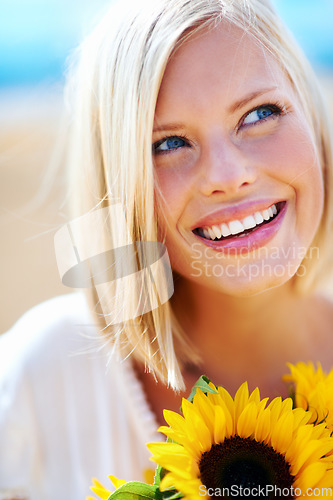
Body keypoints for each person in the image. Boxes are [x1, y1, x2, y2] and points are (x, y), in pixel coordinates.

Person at [1, 0, 333, 498]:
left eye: (260, 113)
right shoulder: (42, 377)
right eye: (168, 144)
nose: (228, 175)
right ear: (121, 182)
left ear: (309, 112)